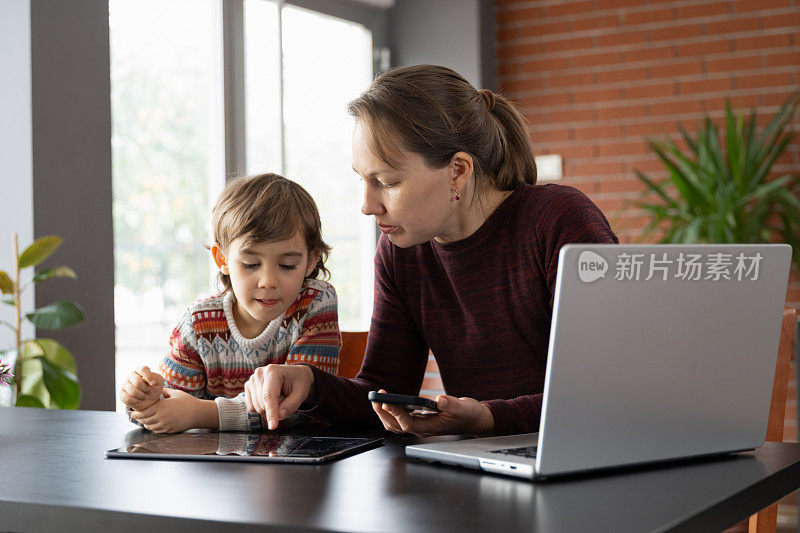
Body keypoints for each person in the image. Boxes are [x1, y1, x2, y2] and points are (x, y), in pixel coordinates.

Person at [244, 64, 619, 437]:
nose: (367, 205)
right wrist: (309, 384)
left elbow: (600, 388)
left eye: (387, 182)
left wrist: (488, 418)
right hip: (481, 465)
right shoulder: (401, 252)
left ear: (457, 171)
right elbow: (383, 392)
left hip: (587, 452)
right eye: (362, 180)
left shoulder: (559, 220)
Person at [118, 173, 341, 433]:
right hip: (215, 468)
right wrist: (143, 398)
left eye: (287, 265)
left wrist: (199, 413)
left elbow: (305, 408)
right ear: (222, 258)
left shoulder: (315, 303)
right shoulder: (199, 323)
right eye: (250, 264)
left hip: (296, 465)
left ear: (311, 261)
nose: (268, 281)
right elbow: (170, 406)